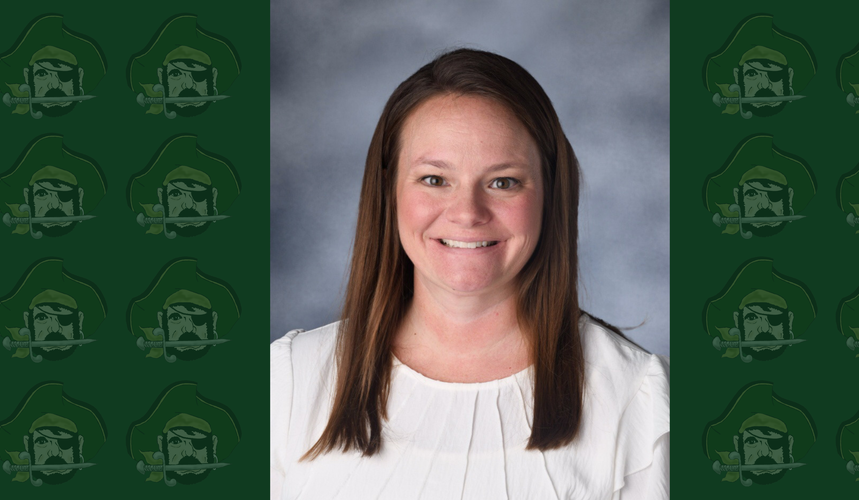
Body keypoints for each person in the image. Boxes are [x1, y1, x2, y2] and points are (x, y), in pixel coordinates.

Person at [270, 48, 669, 499]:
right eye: (434, 179)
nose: (467, 213)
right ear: (388, 192)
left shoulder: (637, 400)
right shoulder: (289, 381)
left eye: (503, 182)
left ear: (550, 195)